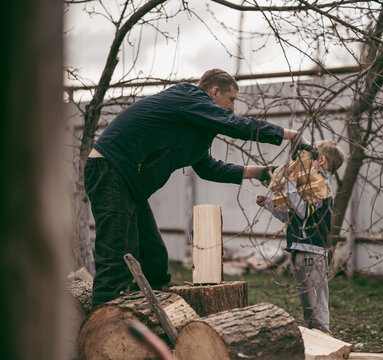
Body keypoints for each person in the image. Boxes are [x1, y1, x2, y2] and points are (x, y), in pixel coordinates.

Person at [84, 69, 303, 306]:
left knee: (154, 258)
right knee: (117, 254)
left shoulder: (194, 124)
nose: (232, 107)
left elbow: (208, 167)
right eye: (231, 99)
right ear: (214, 91)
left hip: (128, 184)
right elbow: (234, 124)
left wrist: (260, 172)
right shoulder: (188, 96)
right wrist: (289, 135)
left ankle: (151, 311)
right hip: (110, 169)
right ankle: (104, 316)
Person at [256, 140, 344, 334]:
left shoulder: (321, 188)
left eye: (308, 158)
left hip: (312, 251)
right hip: (298, 250)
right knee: (307, 305)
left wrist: (292, 187)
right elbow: (292, 216)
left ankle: (325, 337)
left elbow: (303, 211)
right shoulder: (307, 187)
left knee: (317, 304)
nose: (303, 162)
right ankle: (316, 338)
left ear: (320, 160)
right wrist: (269, 205)